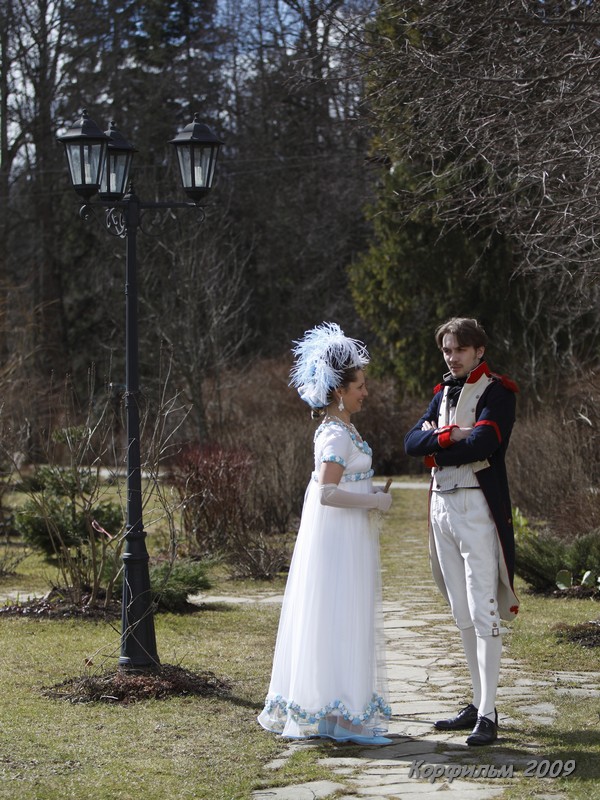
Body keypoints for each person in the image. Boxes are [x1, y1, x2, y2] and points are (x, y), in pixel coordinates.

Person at [258, 322, 393, 745]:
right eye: (360, 386)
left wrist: (371, 492)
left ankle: (342, 712)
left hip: (350, 538)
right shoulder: (334, 433)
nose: (365, 392)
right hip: (337, 542)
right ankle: (339, 713)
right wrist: (373, 503)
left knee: (346, 618)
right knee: (339, 616)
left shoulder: (345, 428)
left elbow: (348, 482)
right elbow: (327, 492)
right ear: (339, 391)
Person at [404, 317, 519, 746]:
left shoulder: (498, 392)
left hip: (476, 506)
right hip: (441, 507)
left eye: (459, 350)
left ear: (478, 350)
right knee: (461, 612)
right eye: (446, 350)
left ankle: (487, 713)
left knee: (482, 608)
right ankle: (477, 701)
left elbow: (485, 444)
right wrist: (450, 436)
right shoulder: (441, 392)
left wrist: (436, 446)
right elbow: (411, 443)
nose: (451, 357)